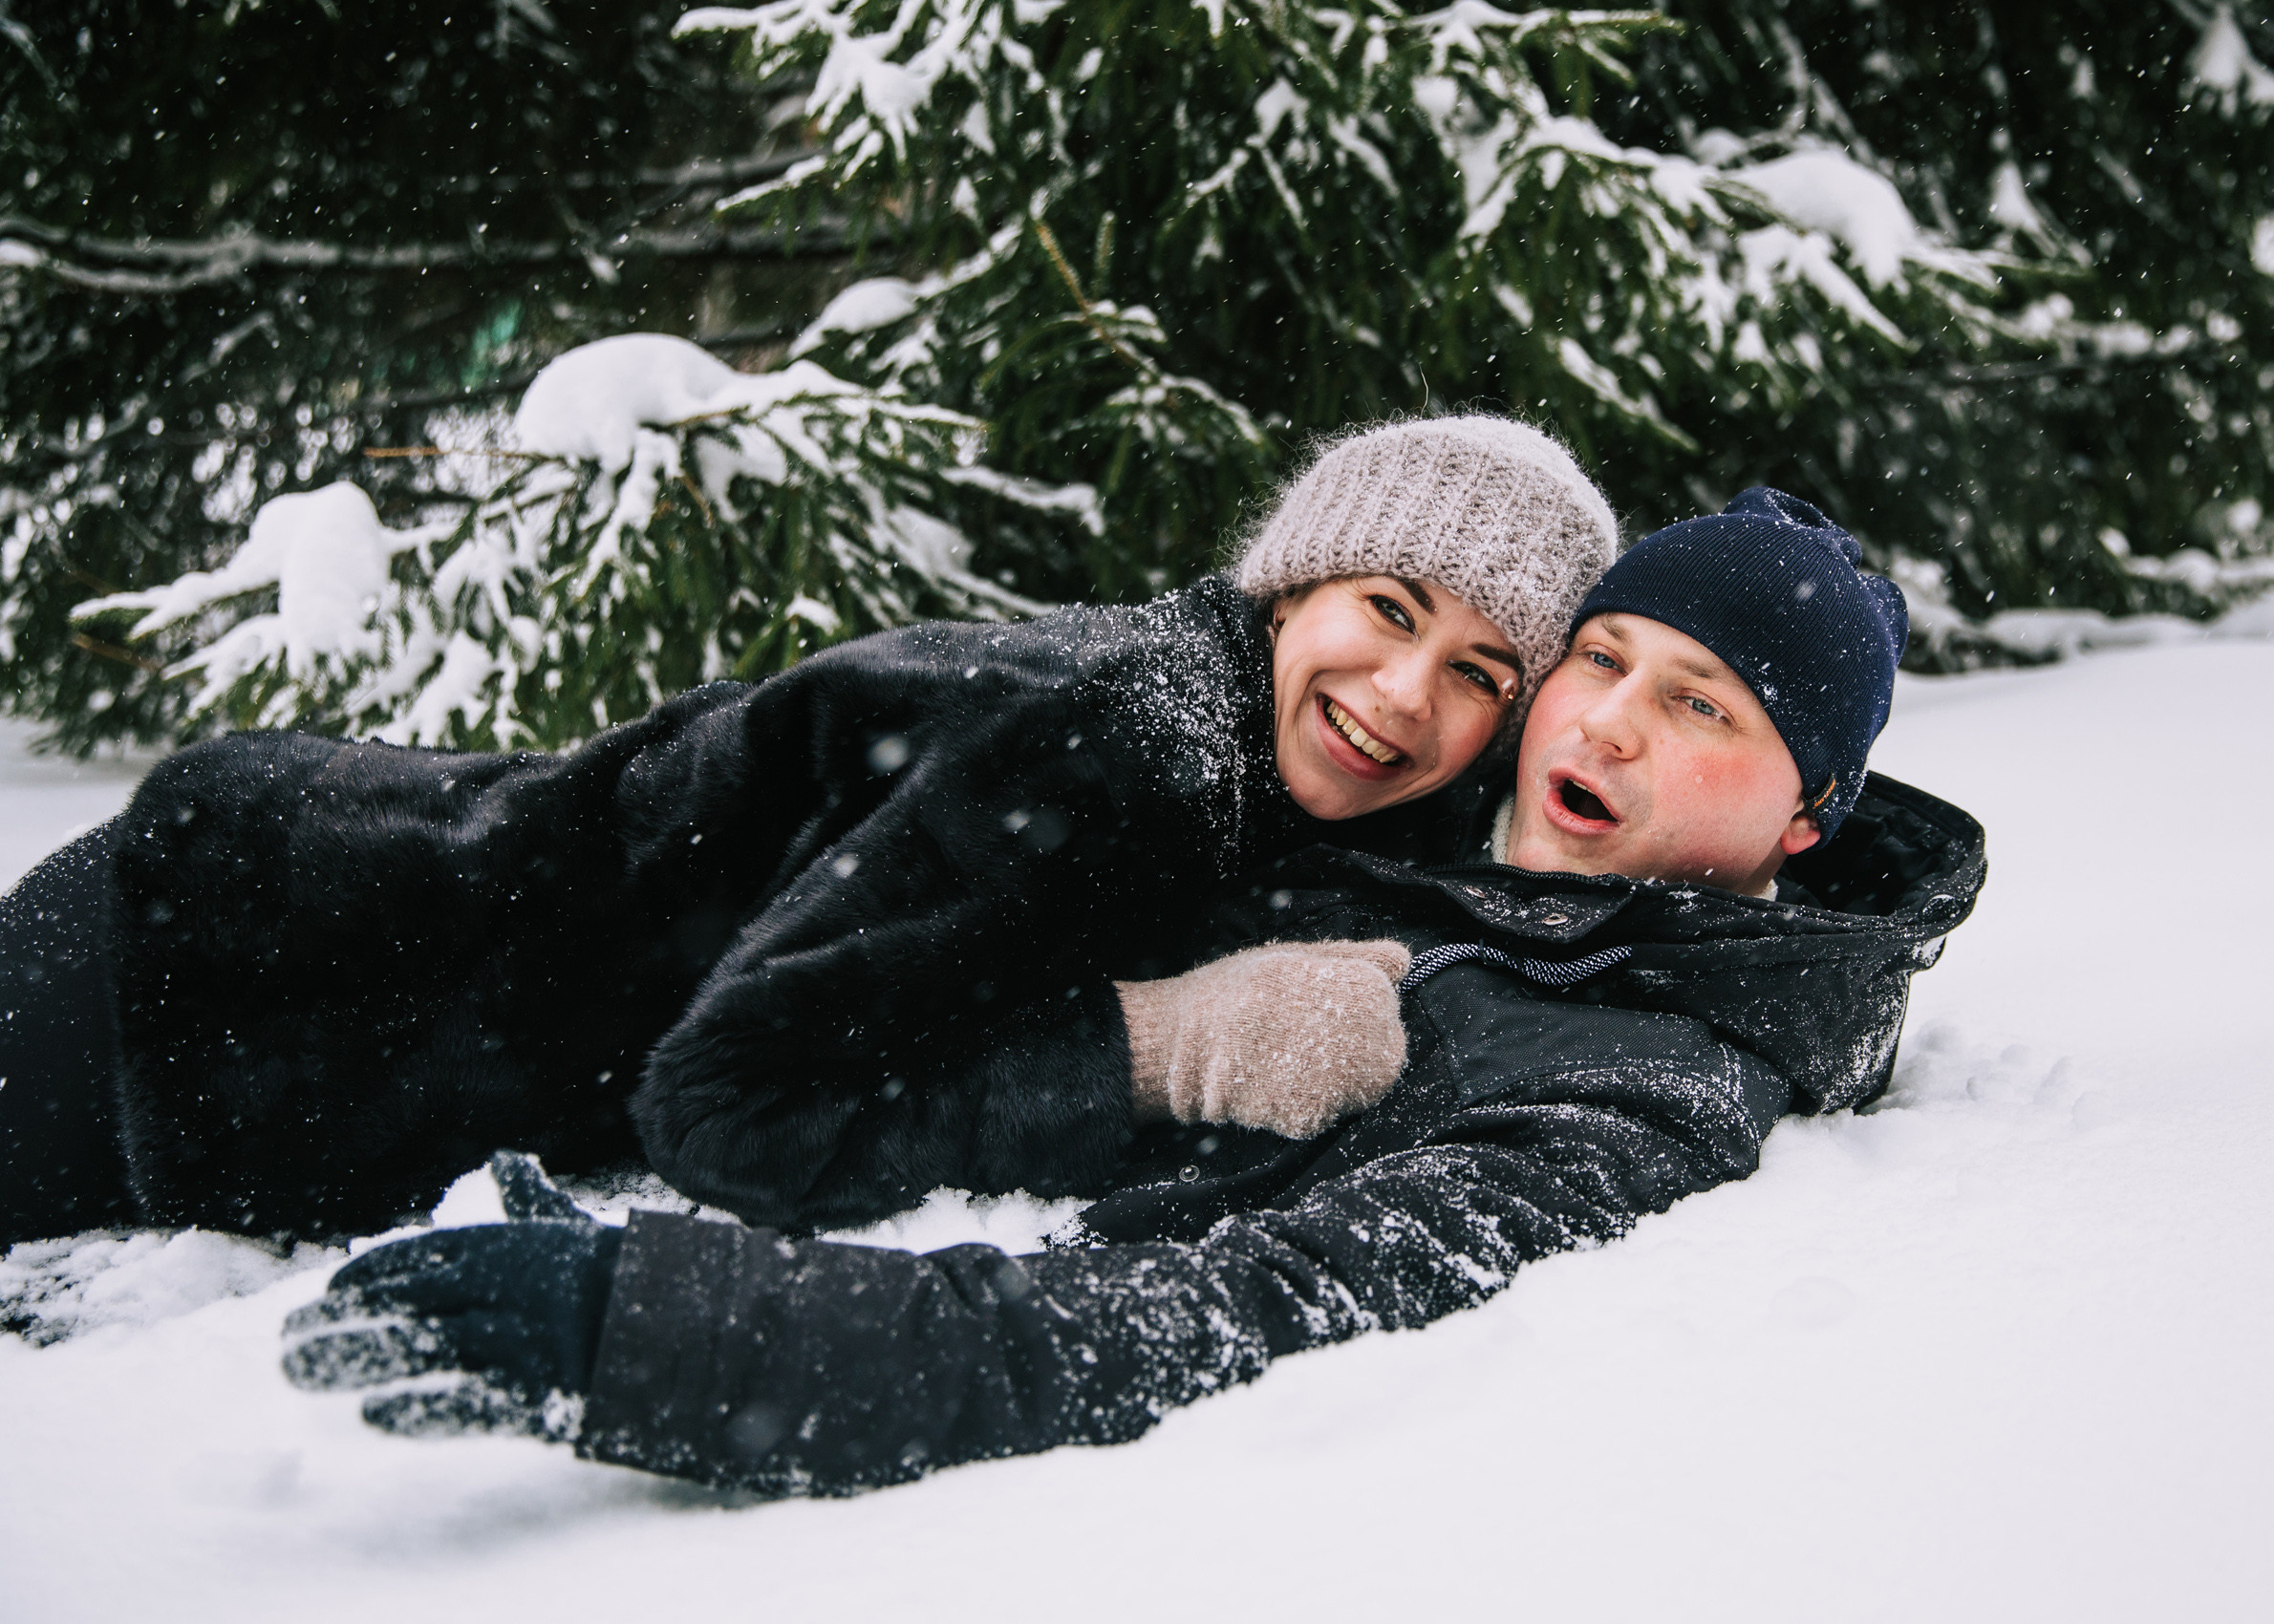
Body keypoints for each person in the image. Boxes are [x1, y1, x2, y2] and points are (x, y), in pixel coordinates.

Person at [282, 487, 1989, 1496]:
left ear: (1806, 814)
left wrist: (680, 1332)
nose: (1605, 720)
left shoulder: (1651, 1076)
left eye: (1703, 707)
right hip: (397, 913)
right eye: (1601, 660)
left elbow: (1238, 1319)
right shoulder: (1408, 809)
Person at [0, 416, 1619, 1250]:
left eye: (1481, 670)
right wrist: (1159, 1048)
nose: (1406, 695)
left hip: (279, 909)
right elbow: (730, 1112)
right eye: (1386, 610)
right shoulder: (1108, 743)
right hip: (213, 976)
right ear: (1291, 586)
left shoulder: (1222, 739)